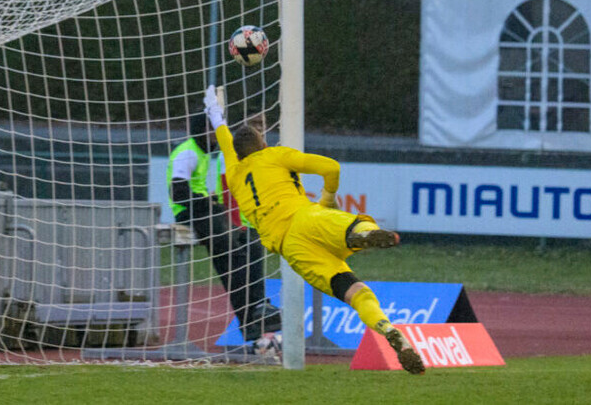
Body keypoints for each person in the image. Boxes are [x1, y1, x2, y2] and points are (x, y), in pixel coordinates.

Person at [202, 85, 425, 374]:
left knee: (355, 292)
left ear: (239, 153)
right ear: (263, 145)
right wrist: (327, 200)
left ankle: (389, 330)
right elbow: (330, 167)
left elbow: (224, 141)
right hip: (308, 217)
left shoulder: (233, 174)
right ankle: (365, 234)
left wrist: (215, 114)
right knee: (356, 226)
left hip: (290, 248)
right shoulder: (277, 156)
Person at [166, 112, 282, 344]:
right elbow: (178, 193)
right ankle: (254, 316)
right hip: (191, 214)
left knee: (248, 249)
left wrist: (209, 201)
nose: (216, 135)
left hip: (208, 212)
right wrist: (206, 201)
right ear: (203, 130)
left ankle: (257, 314)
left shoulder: (203, 153)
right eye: (213, 130)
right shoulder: (189, 152)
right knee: (233, 258)